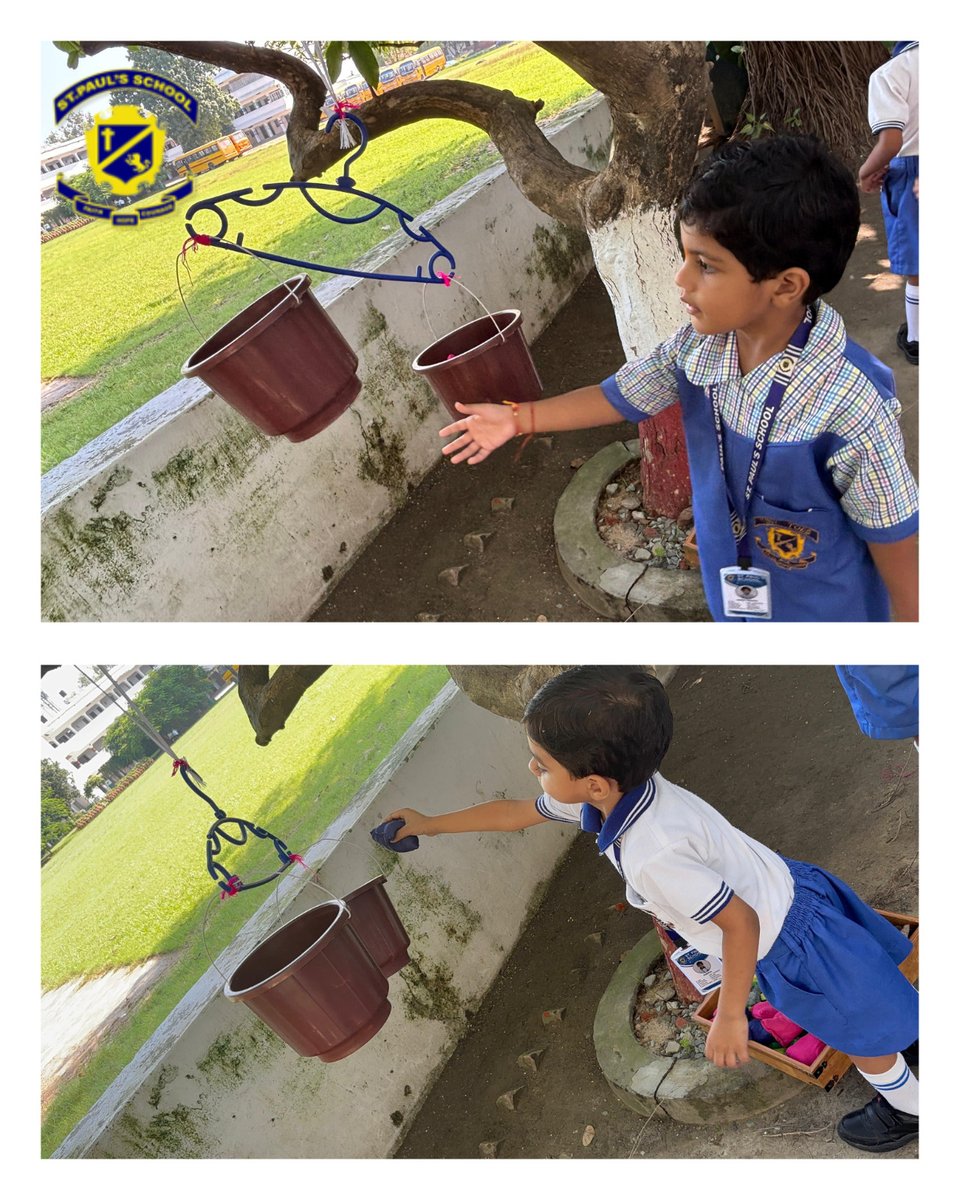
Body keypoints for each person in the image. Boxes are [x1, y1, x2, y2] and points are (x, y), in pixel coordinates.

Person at [382, 666, 919, 1153]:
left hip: (789, 945)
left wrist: (731, 1017)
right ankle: (912, 1044)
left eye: (541, 765)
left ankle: (913, 1108)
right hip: (797, 895)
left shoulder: (650, 853)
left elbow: (740, 923)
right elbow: (516, 814)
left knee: (862, 1038)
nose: (532, 769)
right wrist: (428, 823)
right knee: (874, 994)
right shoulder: (630, 788)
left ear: (593, 783)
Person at [439, 135, 918, 623]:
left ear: (786, 285)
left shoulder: (850, 405)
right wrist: (519, 419)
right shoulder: (697, 348)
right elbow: (620, 396)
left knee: (884, 697)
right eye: (685, 255)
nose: (681, 280)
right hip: (740, 591)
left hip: (838, 613)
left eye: (705, 266)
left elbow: (895, 535)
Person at [858, 42, 919, 365]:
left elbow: (892, 141)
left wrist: (866, 172)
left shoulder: (891, 73)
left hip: (912, 171)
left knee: (918, 262)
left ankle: (919, 338)